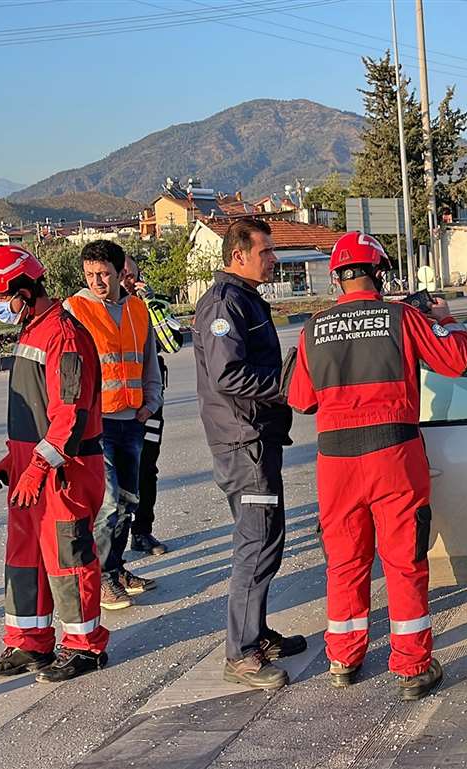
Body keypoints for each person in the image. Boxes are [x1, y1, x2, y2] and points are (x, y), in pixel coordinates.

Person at [287, 231, 467, 700]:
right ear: (380, 273)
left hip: (337, 463)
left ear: (337, 278)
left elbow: (300, 399)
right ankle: (412, 667)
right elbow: (455, 361)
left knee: (345, 561)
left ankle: (343, 658)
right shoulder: (403, 317)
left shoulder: (313, 329)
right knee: (404, 560)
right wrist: (445, 318)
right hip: (393, 454)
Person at [0, 245, 111, 683]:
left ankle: (84, 646)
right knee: (24, 558)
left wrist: (36, 467)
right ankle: (29, 644)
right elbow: (37, 409)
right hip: (31, 467)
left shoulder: (63, 336)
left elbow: (69, 415)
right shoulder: (32, 330)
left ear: (25, 290)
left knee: (69, 557)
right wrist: (13, 458)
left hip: (62, 470)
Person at [193, 217, 306, 689]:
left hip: (256, 437)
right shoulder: (223, 304)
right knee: (255, 544)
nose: (274, 259)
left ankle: (256, 633)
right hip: (243, 443)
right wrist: (286, 386)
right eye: (266, 252)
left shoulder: (243, 298)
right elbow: (228, 375)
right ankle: (240, 653)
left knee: (268, 540)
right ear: (238, 255)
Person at [64, 241, 160, 611]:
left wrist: (151, 403)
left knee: (128, 503)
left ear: (121, 273)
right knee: (108, 504)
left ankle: (117, 568)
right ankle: (102, 577)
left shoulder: (138, 309)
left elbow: (147, 359)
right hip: (95, 424)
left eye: (104, 274)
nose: (97, 281)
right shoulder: (76, 309)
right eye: (90, 275)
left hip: (132, 420)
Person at [121, 256, 183, 556]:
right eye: (120, 275)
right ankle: (113, 538)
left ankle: (142, 531)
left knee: (147, 468)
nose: (126, 282)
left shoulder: (153, 306)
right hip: (114, 406)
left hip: (150, 402)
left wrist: (150, 304)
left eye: (131, 276)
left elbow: (171, 344)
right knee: (115, 472)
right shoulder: (100, 311)